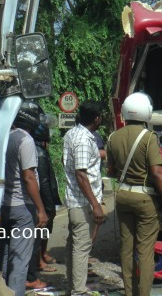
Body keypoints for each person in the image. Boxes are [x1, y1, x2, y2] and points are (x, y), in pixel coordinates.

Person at [106, 92, 162, 296]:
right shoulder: (149, 138)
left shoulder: (113, 137)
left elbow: (110, 171)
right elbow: (157, 173)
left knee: (126, 250)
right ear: (146, 112)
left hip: (122, 196)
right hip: (145, 199)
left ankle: (130, 293)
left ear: (124, 113)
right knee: (145, 252)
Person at [0, 101, 49, 296]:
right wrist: (41, 210)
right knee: (19, 261)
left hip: (4, 207)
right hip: (22, 209)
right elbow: (29, 177)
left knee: (4, 259)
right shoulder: (25, 140)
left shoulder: (5, 137)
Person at [63, 100, 105, 295]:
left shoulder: (74, 133)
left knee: (74, 246)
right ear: (96, 119)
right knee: (81, 249)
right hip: (81, 202)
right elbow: (81, 174)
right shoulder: (82, 138)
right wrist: (95, 204)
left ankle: (74, 287)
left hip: (76, 200)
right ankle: (79, 291)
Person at [26, 113, 60, 287]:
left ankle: (42, 256)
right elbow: (44, 182)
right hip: (43, 202)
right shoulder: (40, 153)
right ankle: (38, 261)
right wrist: (47, 207)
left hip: (42, 202)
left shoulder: (39, 150)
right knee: (39, 234)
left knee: (42, 234)